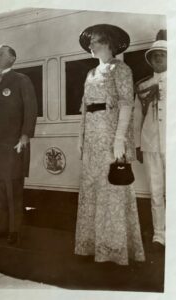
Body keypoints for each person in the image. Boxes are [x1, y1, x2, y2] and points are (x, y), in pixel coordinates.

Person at [75, 24, 145, 265]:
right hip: (93, 138)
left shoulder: (121, 69)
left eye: (94, 42)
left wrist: (119, 140)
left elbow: (127, 103)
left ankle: (115, 249)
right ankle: (94, 246)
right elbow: (85, 108)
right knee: (93, 188)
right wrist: (80, 138)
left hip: (110, 135)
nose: (90, 46)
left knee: (111, 188)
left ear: (107, 43)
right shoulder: (91, 73)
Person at [0, 44, 37, 245]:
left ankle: (15, 231)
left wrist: (25, 136)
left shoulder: (21, 80)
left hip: (12, 145)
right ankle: (0, 227)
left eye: (1, 53)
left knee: (13, 188)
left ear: (12, 58)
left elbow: (30, 109)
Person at [134, 31, 167, 252]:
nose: (157, 58)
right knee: (156, 191)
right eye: (153, 56)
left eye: (162, 55)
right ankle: (160, 235)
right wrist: (137, 144)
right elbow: (137, 117)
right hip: (150, 144)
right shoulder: (143, 85)